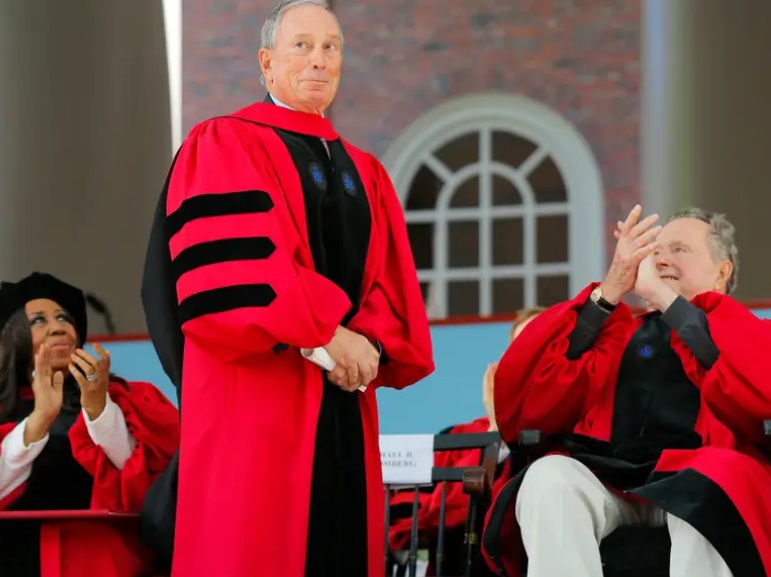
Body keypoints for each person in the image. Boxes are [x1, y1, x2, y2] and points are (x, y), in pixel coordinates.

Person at [140, 1, 434, 576]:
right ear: (267, 62)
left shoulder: (365, 171)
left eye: (331, 47)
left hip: (344, 396)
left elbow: (384, 283)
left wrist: (368, 345)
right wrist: (326, 336)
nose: (319, 60)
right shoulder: (224, 142)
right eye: (302, 46)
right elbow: (236, 275)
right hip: (257, 392)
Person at [481, 206, 771, 577]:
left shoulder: (747, 332)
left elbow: (754, 388)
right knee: (549, 477)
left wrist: (666, 300)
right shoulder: (616, 333)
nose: (661, 259)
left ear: (722, 271)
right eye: (655, 251)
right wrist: (613, 286)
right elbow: (534, 395)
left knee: (713, 482)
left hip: (697, 481)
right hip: (614, 483)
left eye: (679, 249)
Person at [0, 272, 179, 577]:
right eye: (39, 321)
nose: (58, 327)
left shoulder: (126, 398)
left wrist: (98, 410)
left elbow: (147, 481)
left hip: (104, 562)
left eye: (63, 318)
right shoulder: (6, 413)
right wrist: (40, 418)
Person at [388, 307, 544, 576]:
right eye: (522, 350)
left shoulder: (584, 435)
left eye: (543, 348)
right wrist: (495, 432)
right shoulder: (458, 438)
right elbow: (409, 523)